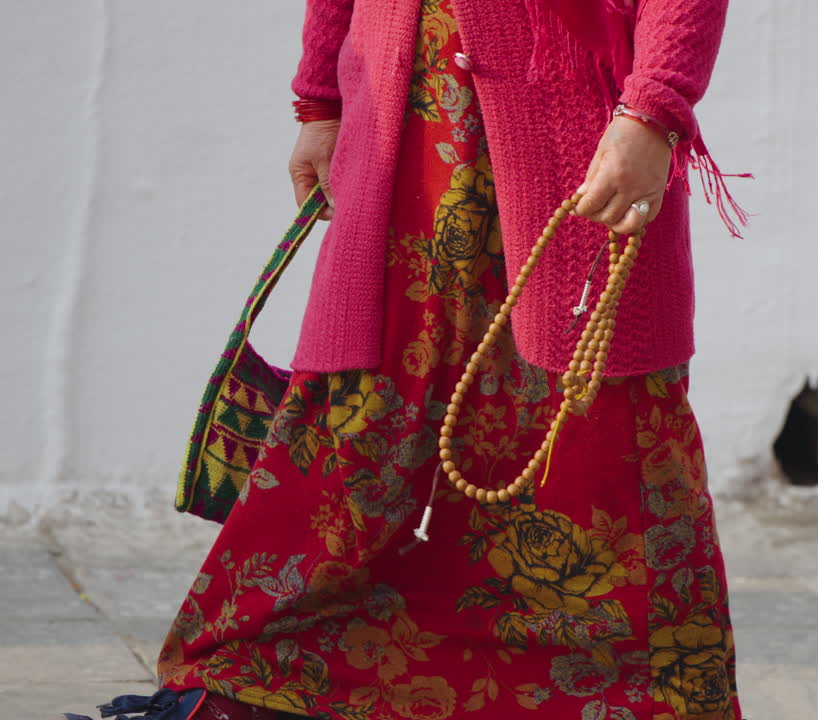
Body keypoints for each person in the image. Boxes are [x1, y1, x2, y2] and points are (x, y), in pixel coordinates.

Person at [68, 0, 746, 718]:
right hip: (404, 111)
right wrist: (320, 101)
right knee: (358, 408)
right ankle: (251, 694)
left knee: (597, 427)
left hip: (576, 115)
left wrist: (652, 110)